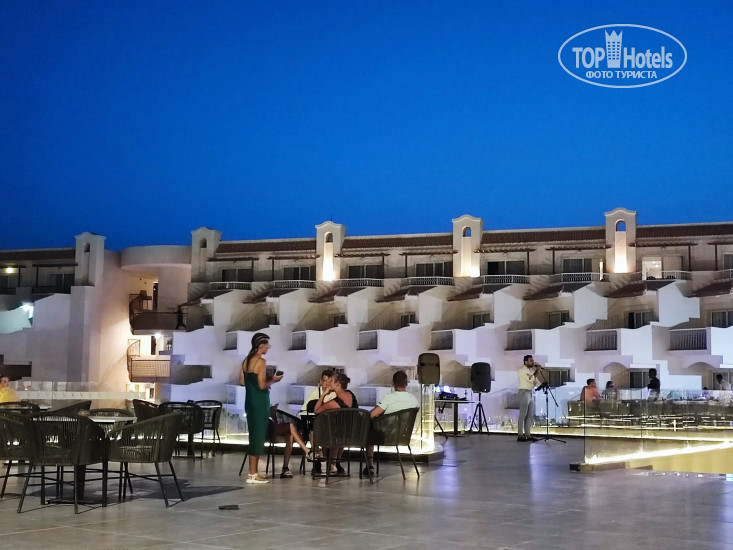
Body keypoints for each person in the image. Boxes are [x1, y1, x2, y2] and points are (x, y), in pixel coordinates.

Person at [240, 333, 282, 483]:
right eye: (267, 345)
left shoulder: (246, 361)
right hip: (259, 402)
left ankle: (252, 473)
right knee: (258, 437)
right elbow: (262, 385)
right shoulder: (261, 361)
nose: (268, 347)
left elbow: (242, 382)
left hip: (249, 401)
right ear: (261, 345)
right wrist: (274, 380)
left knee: (254, 436)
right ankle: (252, 474)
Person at [363, 370, 419, 476]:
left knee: (368, 434)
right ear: (406, 383)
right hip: (403, 436)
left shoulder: (389, 398)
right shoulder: (413, 400)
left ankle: (369, 466)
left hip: (385, 436)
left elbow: (371, 415)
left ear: (393, 383)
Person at [313, 372, 358, 474]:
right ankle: (335, 462)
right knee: (339, 431)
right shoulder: (351, 394)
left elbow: (316, 410)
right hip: (354, 433)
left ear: (337, 384)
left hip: (339, 436)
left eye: (331, 381)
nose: (328, 383)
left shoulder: (334, 403)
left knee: (329, 431)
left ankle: (330, 463)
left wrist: (323, 394)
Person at [517, 355, 541, 442]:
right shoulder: (521, 370)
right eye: (531, 361)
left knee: (529, 415)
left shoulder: (531, 371)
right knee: (523, 414)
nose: (533, 362)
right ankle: (520, 435)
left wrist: (541, 385)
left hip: (530, 392)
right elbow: (530, 379)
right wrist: (537, 371)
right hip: (524, 392)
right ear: (526, 362)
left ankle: (528, 434)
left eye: (533, 360)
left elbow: (535, 381)